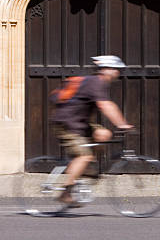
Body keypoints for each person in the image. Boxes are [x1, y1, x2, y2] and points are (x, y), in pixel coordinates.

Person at [49, 55, 132, 206]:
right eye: (116, 69)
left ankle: (87, 167)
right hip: (66, 124)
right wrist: (122, 124)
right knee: (83, 156)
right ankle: (66, 191)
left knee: (104, 134)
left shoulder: (99, 83)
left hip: (81, 122)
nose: (118, 73)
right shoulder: (96, 83)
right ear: (106, 70)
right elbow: (106, 106)